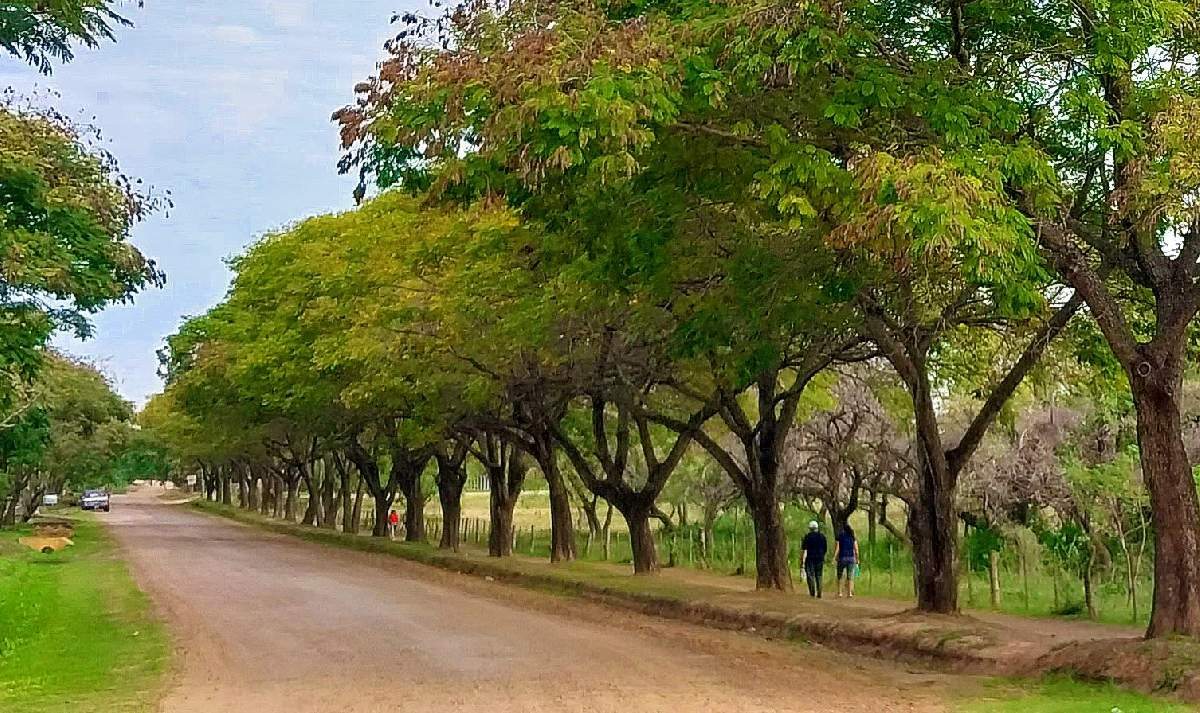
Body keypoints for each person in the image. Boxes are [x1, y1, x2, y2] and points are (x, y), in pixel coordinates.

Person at [800, 520, 827, 598]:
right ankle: (819, 592)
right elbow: (825, 548)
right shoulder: (822, 536)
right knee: (819, 575)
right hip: (820, 558)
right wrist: (822, 555)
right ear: (817, 528)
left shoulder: (807, 537)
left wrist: (802, 560)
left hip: (810, 558)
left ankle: (812, 591)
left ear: (810, 528)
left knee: (810, 575)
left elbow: (804, 549)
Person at [834, 523, 859, 598]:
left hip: (842, 558)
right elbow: (856, 550)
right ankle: (849, 593)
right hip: (851, 558)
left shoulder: (840, 537)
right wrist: (857, 558)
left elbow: (837, 548)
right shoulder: (852, 537)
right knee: (850, 576)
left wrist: (835, 557)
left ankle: (839, 592)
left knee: (840, 576)